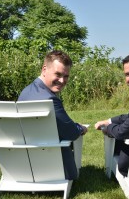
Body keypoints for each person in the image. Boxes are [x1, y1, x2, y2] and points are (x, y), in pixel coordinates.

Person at [18, 50, 88, 180]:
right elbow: (72, 133)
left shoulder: (26, 92)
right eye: (58, 74)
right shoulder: (49, 100)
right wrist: (81, 128)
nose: (62, 80)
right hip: (53, 167)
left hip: (25, 165)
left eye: (66, 76)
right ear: (44, 69)